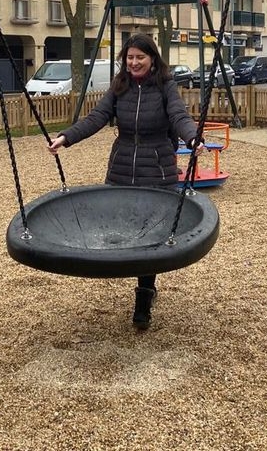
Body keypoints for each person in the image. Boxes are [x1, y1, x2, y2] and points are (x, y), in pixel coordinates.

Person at [48, 33, 202, 330]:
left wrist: (193, 137)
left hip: (156, 168)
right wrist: (66, 138)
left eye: (139, 58)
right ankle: (139, 282)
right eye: (129, 58)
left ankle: (144, 294)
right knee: (125, 229)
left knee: (152, 234)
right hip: (122, 166)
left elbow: (178, 116)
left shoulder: (166, 87)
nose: (133, 63)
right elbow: (96, 117)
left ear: (152, 59)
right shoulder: (119, 87)